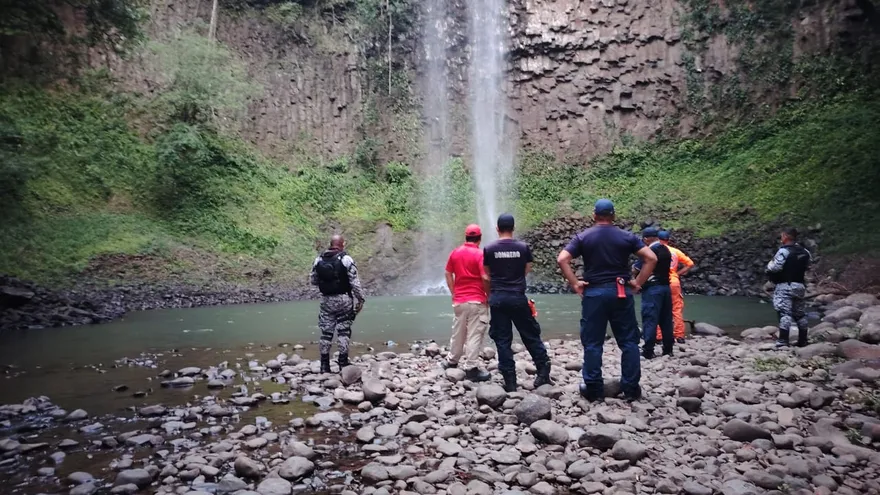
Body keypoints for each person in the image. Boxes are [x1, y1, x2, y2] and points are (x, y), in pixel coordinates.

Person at [557, 199, 657, 402]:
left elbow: (562, 259)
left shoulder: (584, 237)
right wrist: (638, 283)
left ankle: (593, 389)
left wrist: (576, 283)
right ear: (613, 216)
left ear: (594, 215)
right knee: (628, 342)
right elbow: (651, 258)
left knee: (593, 343)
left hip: (594, 294)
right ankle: (630, 388)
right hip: (620, 292)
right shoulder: (626, 237)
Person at [483, 213, 551, 392]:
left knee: (502, 340)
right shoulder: (523, 247)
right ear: (513, 228)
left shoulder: (489, 249)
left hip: (498, 298)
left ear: (497, 229)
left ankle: (510, 382)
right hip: (517, 297)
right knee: (530, 334)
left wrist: (491, 294)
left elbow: (486, 275)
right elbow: (526, 270)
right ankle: (543, 371)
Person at [442, 224, 491, 382]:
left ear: (466, 237)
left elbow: (448, 273)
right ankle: (471, 368)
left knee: (459, 331)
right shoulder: (480, 254)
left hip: (459, 301)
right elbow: (485, 277)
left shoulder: (455, 253)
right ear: (480, 238)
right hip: (476, 300)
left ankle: (452, 361)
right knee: (474, 334)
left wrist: (453, 292)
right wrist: (488, 295)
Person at [310, 235, 366, 373]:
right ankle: (343, 363)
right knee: (343, 331)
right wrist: (361, 299)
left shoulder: (318, 259)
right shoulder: (346, 259)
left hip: (326, 301)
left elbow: (313, 280)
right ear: (342, 244)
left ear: (331, 244)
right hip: (344, 300)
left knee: (326, 333)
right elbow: (354, 282)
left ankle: (324, 366)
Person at [766, 227, 812, 348]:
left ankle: (783, 341)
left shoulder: (784, 251)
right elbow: (808, 265)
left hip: (785, 285)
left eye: (782, 236)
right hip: (800, 286)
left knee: (784, 313)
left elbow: (774, 267)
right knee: (800, 314)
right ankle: (803, 340)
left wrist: (769, 265)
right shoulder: (805, 251)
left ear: (785, 236)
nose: (781, 238)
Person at [633, 227, 674, 359]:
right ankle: (668, 349)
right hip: (666, 288)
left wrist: (636, 281)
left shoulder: (650, 251)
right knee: (666, 320)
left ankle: (648, 350)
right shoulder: (666, 249)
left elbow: (636, 268)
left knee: (650, 318)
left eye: (645, 238)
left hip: (653, 289)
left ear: (648, 238)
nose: (644, 241)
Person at [654, 230, 695, 344]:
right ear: (668, 240)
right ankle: (679, 336)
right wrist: (678, 273)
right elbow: (690, 263)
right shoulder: (675, 251)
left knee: (659, 308)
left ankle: (659, 336)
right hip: (674, 281)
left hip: (660, 281)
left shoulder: (655, 250)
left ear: (658, 239)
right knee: (676, 309)